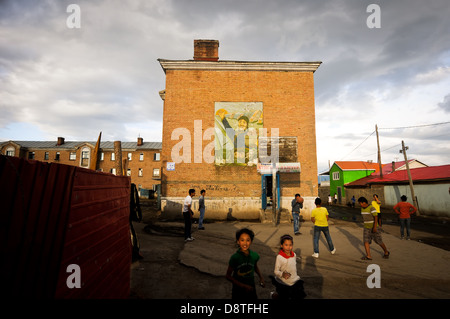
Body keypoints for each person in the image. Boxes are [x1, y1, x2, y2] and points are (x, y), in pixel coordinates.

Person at [226, 228, 265, 299]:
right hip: (238, 289)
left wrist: (261, 277)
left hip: (251, 287)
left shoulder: (254, 255)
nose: (245, 243)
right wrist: (243, 286)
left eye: (248, 240)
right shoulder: (235, 258)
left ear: (251, 241)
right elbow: (228, 276)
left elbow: (255, 266)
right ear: (238, 242)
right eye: (242, 240)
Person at [270, 234, 306, 300]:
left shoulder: (294, 255)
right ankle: (274, 295)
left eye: (290, 245)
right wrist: (282, 274)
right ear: (281, 245)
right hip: (284, 283)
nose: (288, 247)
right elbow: (276, 271)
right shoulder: (279, 257)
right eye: (286, 245)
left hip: (294, 281)